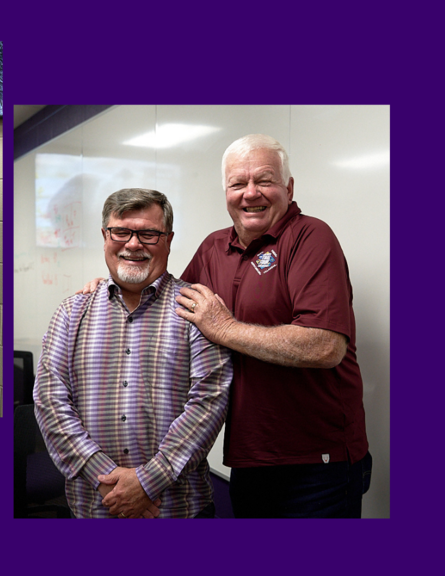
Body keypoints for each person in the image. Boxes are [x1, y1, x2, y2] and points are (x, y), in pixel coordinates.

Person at [175, 134, 371, 517]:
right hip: (250, 456)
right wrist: (114, 286)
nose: (251, 193)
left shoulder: (311, 237)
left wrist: (225, 329)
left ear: (288, 187)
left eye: (264, 180)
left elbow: (325, 346)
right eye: (238, 183)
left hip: (318, 465)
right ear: (226, 192)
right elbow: (171, 310)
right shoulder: (214, 248)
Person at [35, 188, 231, 518]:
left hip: (178, 512)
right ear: (105, 236)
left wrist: (146, 483)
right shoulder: (71, 312)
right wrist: (107, 481)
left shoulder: (198, 311)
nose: (133, 244)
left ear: (168, 239)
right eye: (121, 231)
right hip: (93, 510)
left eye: (149, 233)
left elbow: (209, 401)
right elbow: (50, 401)